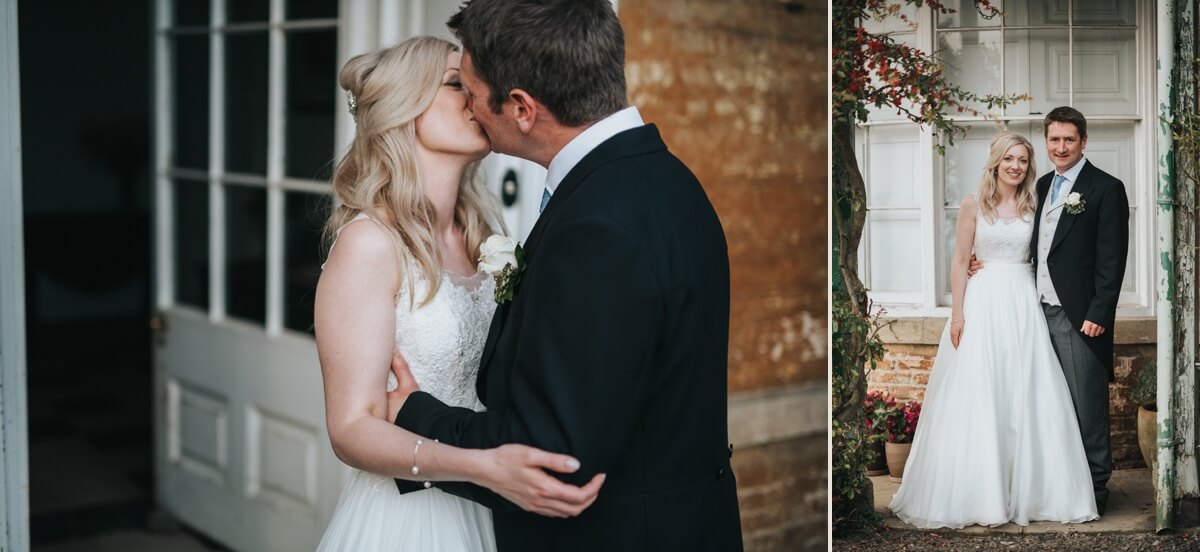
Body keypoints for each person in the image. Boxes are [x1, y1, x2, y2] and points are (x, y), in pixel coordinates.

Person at [385, 1, 744, 550]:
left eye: (472, 90)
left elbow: (555, 456)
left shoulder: (595, 227)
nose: (470, 107)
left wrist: (417, 415)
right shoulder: (667, 179)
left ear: (522, 107)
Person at [313, 36, 603, 552]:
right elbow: (351, 429)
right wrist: (480, 465)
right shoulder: (370, 244)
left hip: (492, 503)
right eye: (456, 84)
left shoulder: (481, 236)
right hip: (411, 516)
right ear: (404, 108)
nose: (479, 97)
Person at [888, 131, 1099, 528]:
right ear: (996, 162)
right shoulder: (973, 205)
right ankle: (979, 492)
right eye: (1009, 160)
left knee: (1027, 392)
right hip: (983, 304)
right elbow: (959, 260)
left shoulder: (1035, 203)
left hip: (1022, 301)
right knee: (981, 392)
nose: (1016, 167)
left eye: (1022, 160)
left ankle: (1032, 491)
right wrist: (957, 315)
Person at [970, 107, 1131, 515]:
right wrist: (981, 261)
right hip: (1029, 310)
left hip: (1078, 316)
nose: (1061, 147)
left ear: (1083, 142)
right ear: (1047, 142)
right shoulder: (1039, 186)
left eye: (1069, 140)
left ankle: (1094, 487)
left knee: (1084, 402)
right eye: (1054, 140)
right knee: (1042, 405)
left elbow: (1112, 260)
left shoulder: (1105, 188)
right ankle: (1051, 485)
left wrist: (1099, 311)